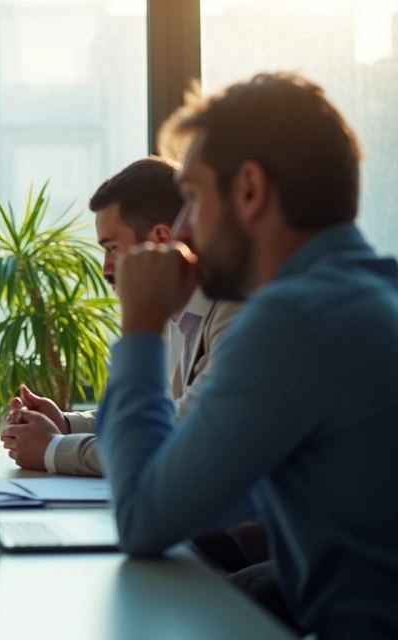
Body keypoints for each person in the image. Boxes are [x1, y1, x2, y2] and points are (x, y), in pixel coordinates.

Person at [99, 72, 398, 637]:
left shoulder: (295, 320)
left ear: (251, 190)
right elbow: (196, 492)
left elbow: (142, 519)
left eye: (191, 198)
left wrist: (140, 326)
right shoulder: (367, 292)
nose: (182, 230)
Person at [1, 157, 240, 476]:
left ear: (161, 240)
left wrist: (52, 449)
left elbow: (168, 445)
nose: (105, 268)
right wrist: (66, 423)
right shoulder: (174, 311)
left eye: (112, 247)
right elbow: (155, 415)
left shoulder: (233, 315)